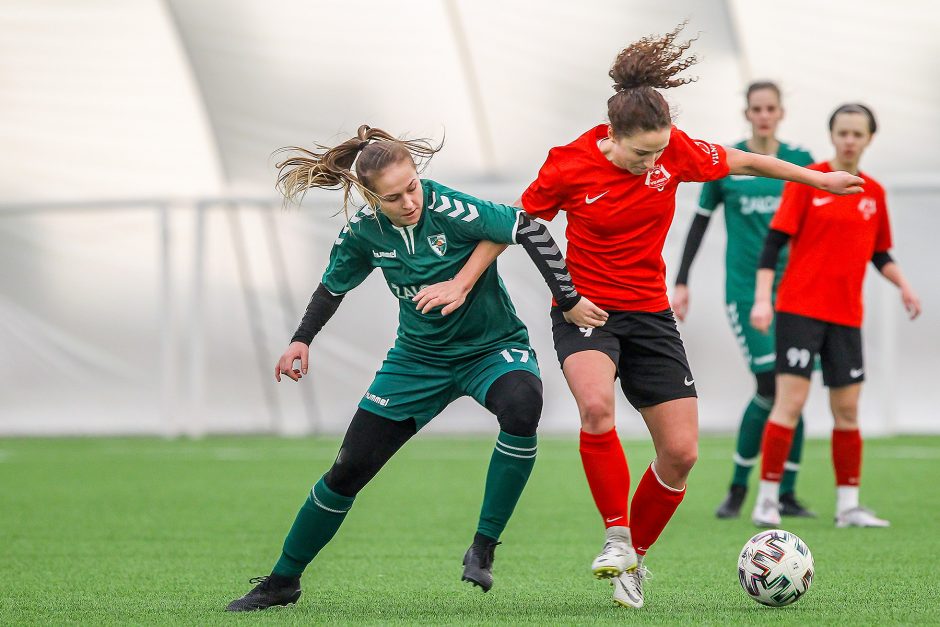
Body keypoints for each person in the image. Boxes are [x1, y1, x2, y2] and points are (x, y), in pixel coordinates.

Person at [416, 24, 863, 609]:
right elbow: (512, 226)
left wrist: (819, 179)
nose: (655, 162)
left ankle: (634, 563)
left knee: (681, 454)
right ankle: (616, 536)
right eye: (642, 153)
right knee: (597, 406)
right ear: (611, 136)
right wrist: (460, 279)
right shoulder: (569, 164)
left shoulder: (674, 150)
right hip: (586, 310)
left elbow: (748, 162)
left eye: (661, 151)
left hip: (651, 314)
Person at [225, 125, 607, 611]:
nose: (409, 202)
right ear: (370, 196)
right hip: (417, 361)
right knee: (347, 470)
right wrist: (301, 340)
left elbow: (528, 227)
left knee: (522, 404)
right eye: (393, 197)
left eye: (412, 187)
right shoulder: (362, 233)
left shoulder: (451, 208)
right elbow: (332, 287)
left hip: (491, 349)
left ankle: (484, 546)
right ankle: (282, 582)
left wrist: (569, 300)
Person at [749, 104, 921, 529]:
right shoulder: (809, 181)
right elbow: (772, 244)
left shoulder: (875, 193)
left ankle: (848, 507)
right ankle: (767, 500)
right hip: (799, 312)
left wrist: (903, 285)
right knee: (790, 403)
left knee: (847, 411)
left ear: (868, 139)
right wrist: (761, 300)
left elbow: (880, 253)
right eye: (842, 132)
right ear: (832, 135)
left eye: (857, 134)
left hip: (846, 318)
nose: (849, 140)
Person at [672, 81, 815, 519]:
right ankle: (737, 488)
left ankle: (785, 493)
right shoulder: (727, 162)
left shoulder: (801, 161)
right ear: (748, 112)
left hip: (794, 292)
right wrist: (681, 281)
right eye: (757, 108)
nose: (764, 114)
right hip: (744, 292)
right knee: (772, 384)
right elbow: (698, 224)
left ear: (781, 112)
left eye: (771, 107)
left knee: (793, 388)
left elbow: (816, 225)